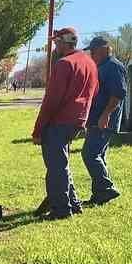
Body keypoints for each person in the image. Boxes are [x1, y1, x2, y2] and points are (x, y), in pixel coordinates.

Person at [31, 27, 99, 220]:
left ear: (63, 42)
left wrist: (38, 130)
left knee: (56, 168)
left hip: (59, 122)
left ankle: (61, 210)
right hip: (78, 122)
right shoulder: (90, 63)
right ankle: (74, 203)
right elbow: (94, 93)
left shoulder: (64, 64)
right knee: (62, 164)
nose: (54, 46)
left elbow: (51, 100)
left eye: (55, 42)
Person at [82, 35, 127, 206]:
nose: (91, 54)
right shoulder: (101, 66)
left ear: (105, 49)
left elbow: (117, 94)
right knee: (98, 155)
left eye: (93, 51)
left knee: (90, 154)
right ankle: (99, 195)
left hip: (104, 120)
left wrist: (105, 115)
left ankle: (107, 189)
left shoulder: (113, 67)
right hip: (97, 119)